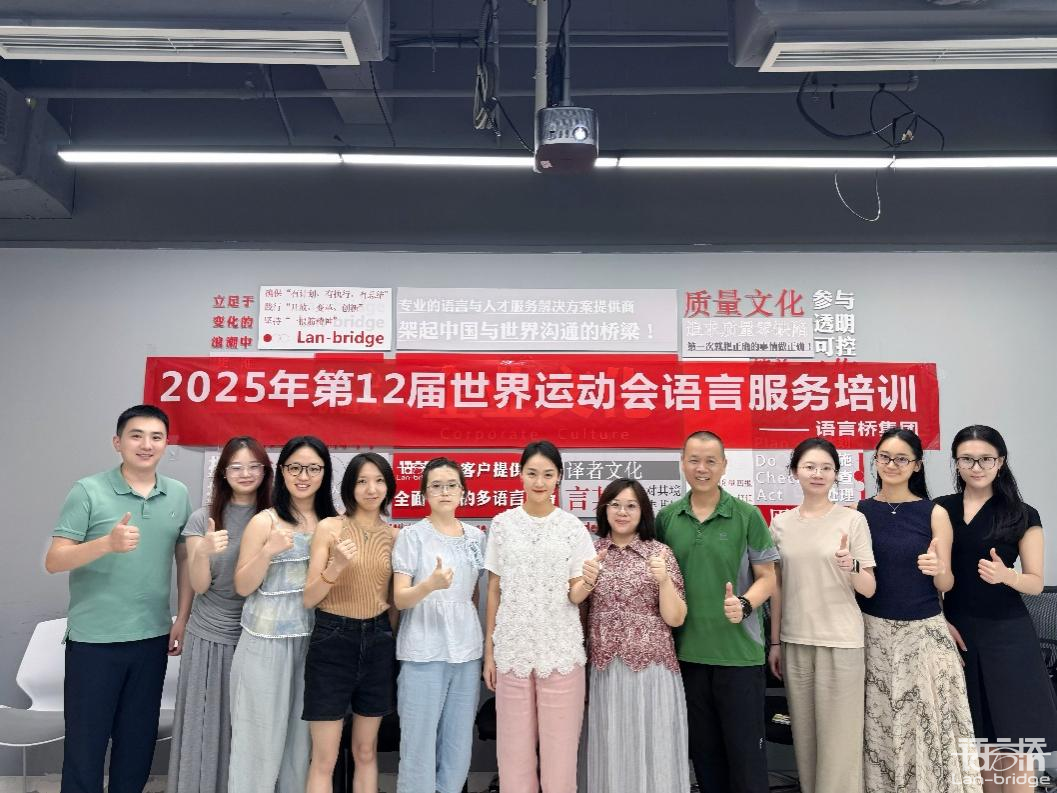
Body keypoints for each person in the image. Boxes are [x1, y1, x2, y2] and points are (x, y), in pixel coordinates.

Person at [45, 404, 193, 793]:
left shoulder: (178, 493)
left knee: (137, 744)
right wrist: (106, 544)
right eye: (136, 435)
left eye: (156, 437)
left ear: (166, 444)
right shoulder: (88, 490)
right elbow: (54, 560)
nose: (146, 444)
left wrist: (181, 617)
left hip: (151, 638)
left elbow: (183, 558)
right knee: (85, 746)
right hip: (95, 641)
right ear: (118, 442)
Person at [857, 428, 980, 793]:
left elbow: (947, 583)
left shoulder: (934, 512)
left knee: (929, 724)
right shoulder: (859, 512)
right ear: (875, 461)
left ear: (916, 465)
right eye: (885, 457)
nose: (892, 465)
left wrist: (937, 568)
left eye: (902, 459)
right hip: (872, 633)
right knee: (879, 725)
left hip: (923, 634)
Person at [656, 430, 778, 793]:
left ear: (724, 466)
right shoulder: (667, 518)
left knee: (746, 763)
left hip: (739, 656)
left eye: (711, 461)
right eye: (694, 460)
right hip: (687, 657)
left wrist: (745, 603)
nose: (702, 468)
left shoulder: (746, 515)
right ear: (682, 464)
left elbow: (768, 577)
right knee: (706, 761)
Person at [937, 425, 1057, 793]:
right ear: (956, 463)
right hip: (960, 633)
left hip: (1008, 636)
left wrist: (1007, 575)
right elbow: (933, 575)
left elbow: (1035, 582)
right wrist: (940, 621)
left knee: (1016, 739)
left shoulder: (1022, 513)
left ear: (1000, 462)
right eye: (967, 459)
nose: (977, 467)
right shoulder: (941, 509)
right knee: (980, 738)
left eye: (986, 459)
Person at [483, 440, 597, 793]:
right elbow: (494, 590)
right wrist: (490, 653)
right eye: (532, 473)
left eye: (547, 474)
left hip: (560, 651)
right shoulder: (502, 525)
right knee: (513, 757)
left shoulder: (572, 528)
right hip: (512, 651)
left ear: (558, 477)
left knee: (560, 760)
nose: (539, 481)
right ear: (520, 475)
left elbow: (575, 594)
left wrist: (589, 582)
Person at [767, 438, 876, 793]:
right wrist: (775, 642)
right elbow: (777, 588)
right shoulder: (780, 525)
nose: (818, 474)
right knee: (806, 743)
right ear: (795, 471)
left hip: (841, 642)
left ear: (836, 474)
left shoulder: (853, 520)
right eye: (810, 467)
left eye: (826, 468)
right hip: (795, 641)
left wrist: (851, 565)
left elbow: (869, 588)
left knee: (839, 746)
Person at [228, 436, 336, 793]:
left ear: (325, 473)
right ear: (282, 471)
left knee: (300, 748)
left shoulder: (333, 523)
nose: (303, 476)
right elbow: (242, 585)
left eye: (313, 468)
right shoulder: (265, 522)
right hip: (265, 644)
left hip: (315, 645)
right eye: (295, 468)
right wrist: (268, 552)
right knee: (256, 744)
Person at [167, 436, 273, 793]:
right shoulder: (204, 519)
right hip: (210, 636)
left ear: (265, 471)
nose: (246, 473)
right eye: (236, 467)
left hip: (259, 635)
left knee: (252, 727)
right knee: (206, 725)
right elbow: (199, 585)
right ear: (223, 473)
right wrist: (202, 553)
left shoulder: (275, 518)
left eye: (254, 466)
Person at [582, 477, 689, 793]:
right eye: (615, 505)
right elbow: (578, 610)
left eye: (631, 505)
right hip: (605, 669)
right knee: (612, 748)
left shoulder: (660, 553)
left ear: (643, 512)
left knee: (654, 749)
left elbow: (676, 618)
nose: (622, 512)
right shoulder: (591, 552)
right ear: (604, 510)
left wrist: (664, 581)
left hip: (652, 670)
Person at [302, 452, 399, 793]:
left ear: (388, 487)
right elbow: (309, 597)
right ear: (349, 487)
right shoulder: (330, 528)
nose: (371, 489)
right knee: (324, 758)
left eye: (379, 481)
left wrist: (387, 637)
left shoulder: (394, 536)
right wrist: (336, 566)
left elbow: (394, 603)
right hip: (332, 638)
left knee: (366, 751)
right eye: (362, 481)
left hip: (378, 641)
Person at [392, 457, 485, 793]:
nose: (444, 492)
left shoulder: (476, 538)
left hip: (466, 651)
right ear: (424, 494)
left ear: (463, 492)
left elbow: (474, 594)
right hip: (423, 649)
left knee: (458, 744)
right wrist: (428, 586)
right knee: (418, 745)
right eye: (436, 486)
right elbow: (400, 598)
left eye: (451, 485)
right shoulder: (412, 536)